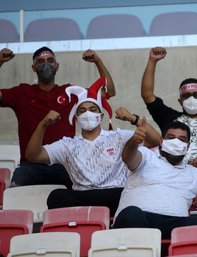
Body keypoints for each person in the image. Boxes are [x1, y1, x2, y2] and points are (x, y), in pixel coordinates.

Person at [25, 79, 160, 215]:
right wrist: (43, 124)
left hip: (114, 194)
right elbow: (33, 156)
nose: (87, 114)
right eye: (82, 111)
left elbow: (155, 141)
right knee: (57, 196)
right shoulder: (67, 144)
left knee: (128, 193)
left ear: (101, 116)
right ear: (76, 118)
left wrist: (133, 118)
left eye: (92, 109)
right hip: (83, 197)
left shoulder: (118, 136)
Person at [0, 47, 116, 188]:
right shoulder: (22, 92)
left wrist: (98, 61)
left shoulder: (71, 92)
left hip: (65, 163)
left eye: (50, 60)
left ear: (57, 66)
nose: (46, 64)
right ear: (33, 67)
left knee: (86, 188)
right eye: (41, 61)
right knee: (15, 192)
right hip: (31, 165)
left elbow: (108, 91)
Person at [113, 120, 197, 239]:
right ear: (161, 141)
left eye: (182, 139)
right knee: (131, 214)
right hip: (139, 220)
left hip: (175, 225)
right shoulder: (147, 155)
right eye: (171, 138)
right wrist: (134, 142)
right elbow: (128, 157)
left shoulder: (192, 172)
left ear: (188, 146)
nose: (176, 142)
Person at [141, 47, 197, 181]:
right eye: (187, 96)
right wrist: (152, 61)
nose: (192, 99)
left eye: (196, 95)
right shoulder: (170, 119)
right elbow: (147, 95)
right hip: (172, 172)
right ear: (180, 100)